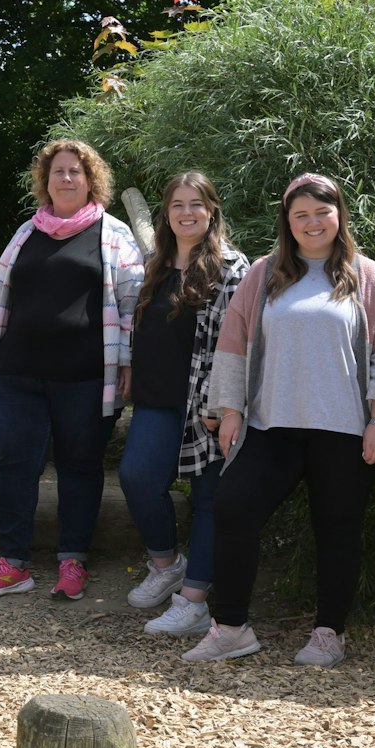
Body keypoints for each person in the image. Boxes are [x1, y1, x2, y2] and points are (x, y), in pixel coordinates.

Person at [185, 173, 375, 667]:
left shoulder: (366, 276)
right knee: (233, 507)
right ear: (287, 221)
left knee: (338, 527)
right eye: (301, 214)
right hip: (272, 425)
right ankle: (231, 627)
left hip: (345, 429)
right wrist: (230, 411)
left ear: (339, 216)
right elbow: (233, 344)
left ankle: (330, 631)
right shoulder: (265, 273)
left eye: (322, 212)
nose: (312, 222)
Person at [0, 139, 146, 600]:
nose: (66, 179)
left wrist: (127, 360)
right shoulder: (27, 233)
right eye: (58, 172)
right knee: (13, 465)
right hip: (18, 374)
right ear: (45, 181)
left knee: (81, 467)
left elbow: (132, 305)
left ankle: (72, 562)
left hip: (85, 376)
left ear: (91, 181)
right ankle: (13, 563)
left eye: (75, 172)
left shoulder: (114, 234)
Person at [118, 172, 248, 636]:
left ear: (212, 210)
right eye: (177, 204)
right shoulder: (154, 263)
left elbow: (242, 342)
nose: (186, 212)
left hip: (208, 403)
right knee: (137, 478)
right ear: (166, 213)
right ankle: (167, 562)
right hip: (156, 399)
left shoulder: (233, 268)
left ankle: (194, 600)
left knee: (211, 498)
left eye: (196, 204)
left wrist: (227, 403)